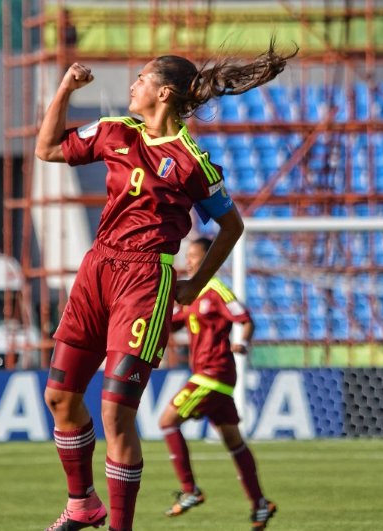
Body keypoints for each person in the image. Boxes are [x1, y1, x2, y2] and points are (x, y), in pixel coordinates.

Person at [35, 40, 294, 531]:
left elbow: (231, 226)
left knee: (115, 414)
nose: (132, 85)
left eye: (141, 78)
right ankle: (81, 503)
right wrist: (64, 89)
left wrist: (195, 283)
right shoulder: (114, 132)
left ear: (166, 93)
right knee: (59, 398)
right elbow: (46, 149)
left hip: (145, 278)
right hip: (97, 269)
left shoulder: (192, 161)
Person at [159, 237, 274, 530]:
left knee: (167, 421)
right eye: (189, 256)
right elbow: (174, 322)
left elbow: (245, 319)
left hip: (213, 373)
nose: (190, 262)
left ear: (210, 258)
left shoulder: (217, 291)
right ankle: (260, 504)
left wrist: (244, 343)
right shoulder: (194, 294)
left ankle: (190, 490)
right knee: (234, 442)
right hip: (210, 375)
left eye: (195, 257)